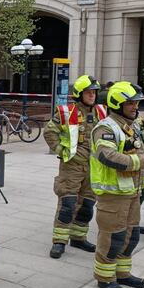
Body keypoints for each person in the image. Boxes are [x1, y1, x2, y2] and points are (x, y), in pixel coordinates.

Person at [89, 81, 144, 288]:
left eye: (136, 103)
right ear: (117, 103)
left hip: (131, 191)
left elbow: (136, 150)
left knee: (131, 237)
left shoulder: (131, 125)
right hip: (113, 195)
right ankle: (105, 278)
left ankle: (122, 273)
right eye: (130, 103)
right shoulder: (106, 127)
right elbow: (109, 157)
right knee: (113, 238)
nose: (135, 107)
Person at [43, 75, 107, 259]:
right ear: (79, 94)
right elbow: (49, 132)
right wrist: (62, 151)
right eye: (88, 92)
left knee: (87, 204)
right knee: (67, 204)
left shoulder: (102, 112)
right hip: (72, 167)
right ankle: (59, 241)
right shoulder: (66, 112)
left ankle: (79, 237)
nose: (92, 95)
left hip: (93, 167)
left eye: (94, 92)